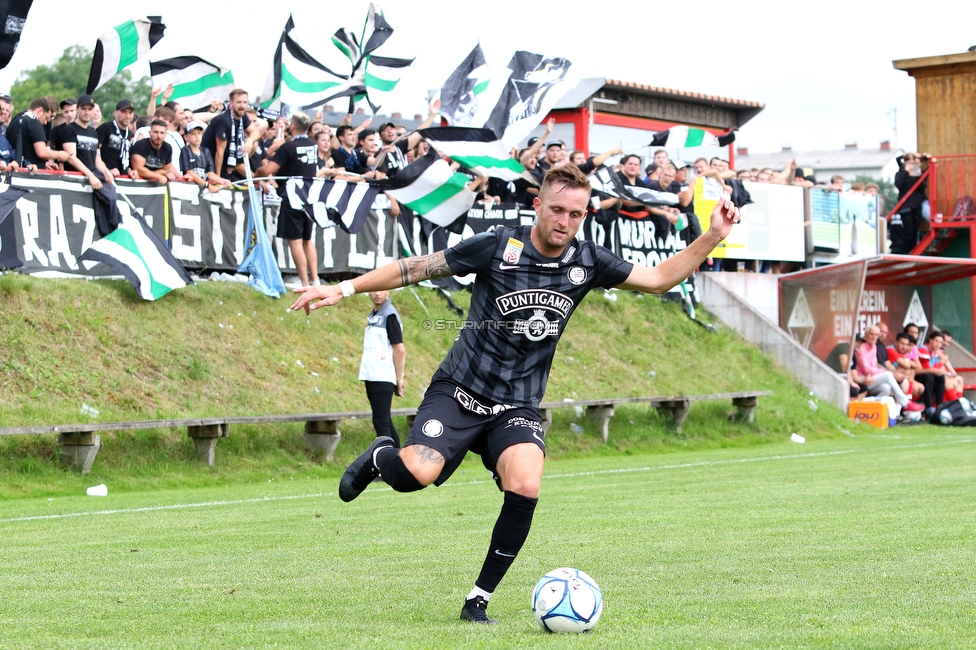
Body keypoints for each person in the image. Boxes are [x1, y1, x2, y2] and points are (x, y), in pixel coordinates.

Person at [289, 164, 742, 625]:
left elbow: (659, 279)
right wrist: (343, 288)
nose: (565, 221)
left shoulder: (588, 260)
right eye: (558, 210)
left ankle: (478, 600)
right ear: (538, 206)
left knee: (525, 483)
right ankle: (379, 456)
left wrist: (713, 236)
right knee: (414, 476)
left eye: (576, 214)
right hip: (461, 391)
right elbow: (416, 268)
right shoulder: (497, 246)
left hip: (518, 405)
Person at [256, 112, 320, 287]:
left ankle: (305, 283)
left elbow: (269, 168)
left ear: (292, 126)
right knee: (308, 239)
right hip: (309, 197)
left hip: (292, 197)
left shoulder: (288, 147)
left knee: (296, 241)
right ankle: (316, 280)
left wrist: (257, 172)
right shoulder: (313, 144)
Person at [360, 290, 406, 447]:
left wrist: (399, 379)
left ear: (388, 290)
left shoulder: (389, 315)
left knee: (381, 425)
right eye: (374, 289)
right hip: (371, 375)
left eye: (381, 289)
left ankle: (386, 465)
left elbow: (399, 349)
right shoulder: (374, 315)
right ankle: (398, 461)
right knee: (384, 421)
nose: (377, 294)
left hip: (383, 375)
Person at [852, 325, 924, 413]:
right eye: (871, 334)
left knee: (886, 388)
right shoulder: (861, 347)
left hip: (872, 378)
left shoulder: (874, 346)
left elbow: (875, 365)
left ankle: (879, 412)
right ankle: (906, 403)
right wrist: (889, 373)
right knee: (888, 375)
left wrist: (890, 372)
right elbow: (867, 369)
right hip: (862, 379)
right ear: (866, 335)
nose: (874, 337)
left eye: (876, 335)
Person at [201, 88, 258, 181]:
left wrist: (250, 140)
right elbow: (219, 151)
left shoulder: (242, 116)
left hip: (227, 158)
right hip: (210, 161)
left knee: (255, 143)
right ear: (231, 103)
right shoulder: (224, 120)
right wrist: (218, 179)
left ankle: (234, 167)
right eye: (239, 102)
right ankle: (223, 174)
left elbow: (256, 132)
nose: (242, 106)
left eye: (245, 102)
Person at [7, 96, 69, 170]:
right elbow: (42, 152)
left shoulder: (16, 119)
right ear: (40, 110)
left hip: (16, 168)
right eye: (46, 117)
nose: (46, 122)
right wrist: (60, 154)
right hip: (32, 171)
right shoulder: (34, 123)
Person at [180, 121, 227, 190]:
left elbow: (210, 173)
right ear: (186, 137)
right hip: (190, 188)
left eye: (199, 133)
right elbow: (190, 172)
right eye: (193, 134)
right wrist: (208, 186)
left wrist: (223, 181)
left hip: (204, 188)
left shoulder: (206, 151)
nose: (197, 136)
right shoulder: (185, 151)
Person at [130, 119, 178, 184]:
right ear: (150, 133)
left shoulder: (167, 148)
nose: (159, 136)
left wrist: (150, 175)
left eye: (162, 133)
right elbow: (138, 169)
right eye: (155, 132)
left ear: (166, 134)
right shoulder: (141, 145)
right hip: (136, 184)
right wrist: (158, 176)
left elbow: (166, 170)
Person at [96, 99, 135, 177]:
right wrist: (106, 170)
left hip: (122, 177)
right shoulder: (106, 127)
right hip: (105, 176)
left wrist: (129, 170)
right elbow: (94, 152)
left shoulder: (130, 133)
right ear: (116, 113)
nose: (127, 116)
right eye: (124, 112)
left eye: (130, 113)